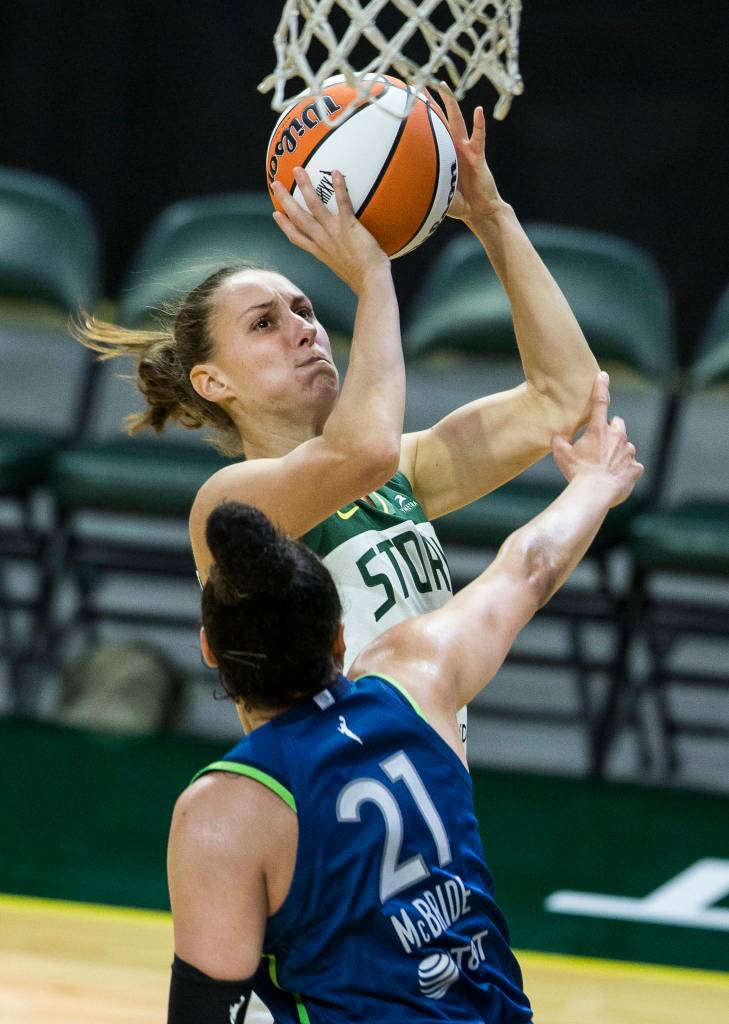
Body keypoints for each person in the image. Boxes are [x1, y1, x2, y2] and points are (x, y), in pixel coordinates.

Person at [74, 89, 600, 756]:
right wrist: (374, 278)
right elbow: (365, 454)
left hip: (422, 798)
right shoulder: (233, 506)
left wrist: (491, 217)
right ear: (214, 383)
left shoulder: (396, 472)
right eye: (264, 323)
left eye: (304, 310)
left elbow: (566, 396)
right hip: (318, 818)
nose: (301, 329)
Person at [166, 371, 642, 1024]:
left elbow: (203, 1011)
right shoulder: (415, 677)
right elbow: (526, 568)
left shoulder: (227, 805)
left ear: (208, 649)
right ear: (339, 638)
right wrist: (594, 485)